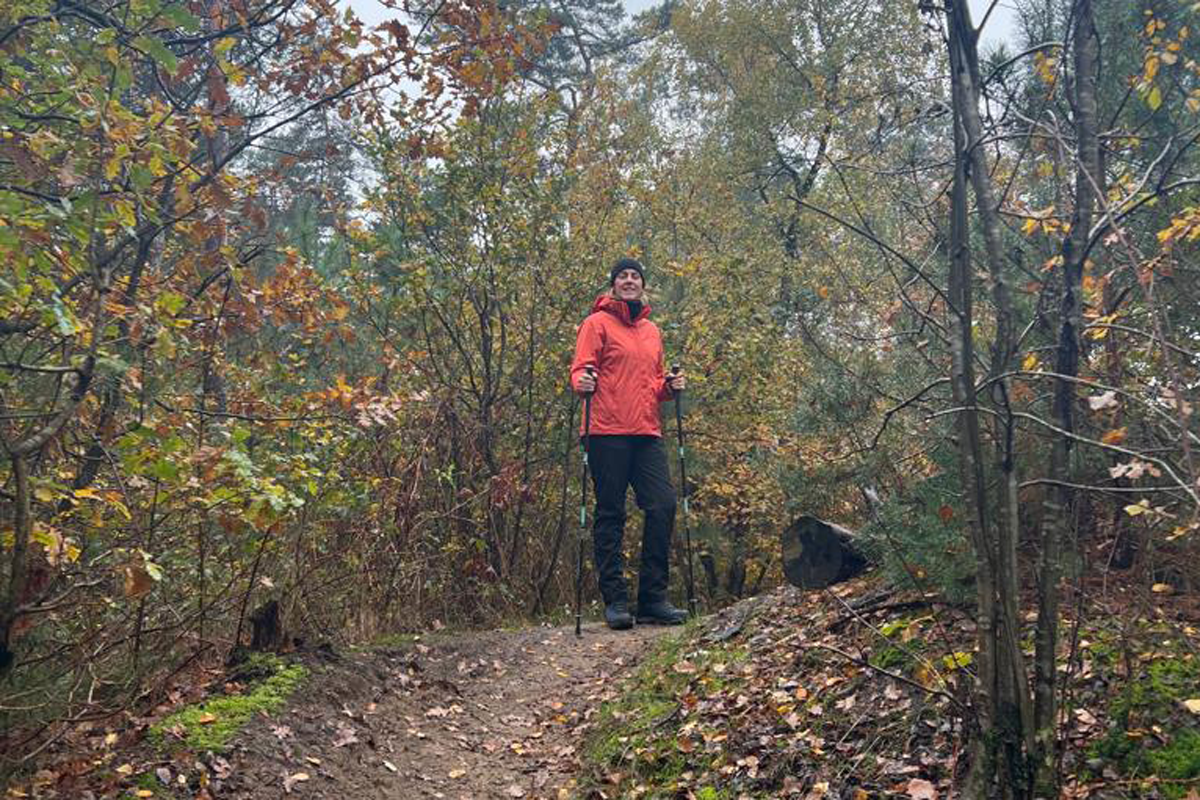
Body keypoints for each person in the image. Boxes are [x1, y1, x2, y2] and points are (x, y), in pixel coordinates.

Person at [570, 257, 688, 630]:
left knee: (663, 504)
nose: (629, 280)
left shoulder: (652, 331)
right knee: (610, 513)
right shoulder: (596, 323)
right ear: (613, 284)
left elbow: (652, 382)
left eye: (635, 276)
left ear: (643, 285)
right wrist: (582, 384)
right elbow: (580, 370)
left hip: (646, 431)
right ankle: (616, 601)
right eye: (622, 276)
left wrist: (669, 388)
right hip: (605, 430)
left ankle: (653, 599)